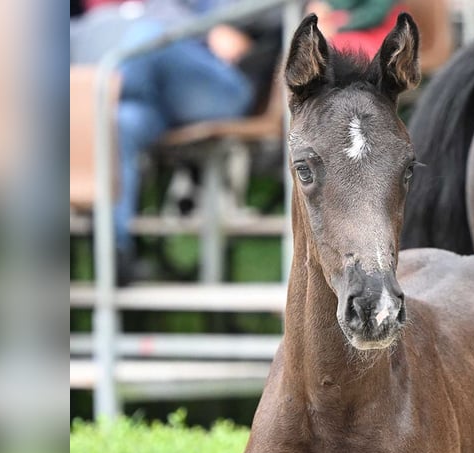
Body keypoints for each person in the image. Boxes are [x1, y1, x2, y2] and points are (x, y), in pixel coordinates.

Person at [104, 0, 281, 284]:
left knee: (148, 36)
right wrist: (200, 27)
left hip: (226, 86)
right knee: (121, 122)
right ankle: (117, 254)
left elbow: (280, 12)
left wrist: (219, 24)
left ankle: (94, 96)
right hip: (161, 90)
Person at [306, 0, 403, 57]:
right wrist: (325, 5)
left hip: (376, 31)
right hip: (343, 23)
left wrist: (338, 26)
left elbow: (376, 13)